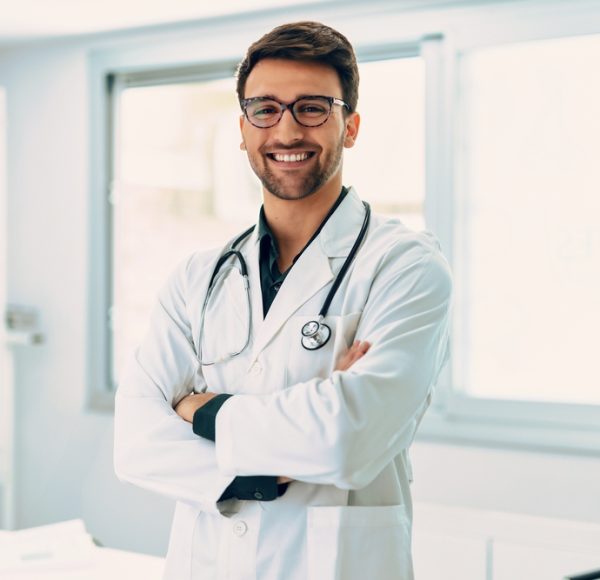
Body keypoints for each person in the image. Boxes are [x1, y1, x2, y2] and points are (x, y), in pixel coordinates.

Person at [114, 20, 452, 580]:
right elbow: (136, 441)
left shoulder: (406, 267)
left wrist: (204, 409)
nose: (287, 131)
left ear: (351, 126)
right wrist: (284, 448)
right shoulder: (197, 279)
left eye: (312, 108)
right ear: (243, 128)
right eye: (265, 109)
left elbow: (348, 440)